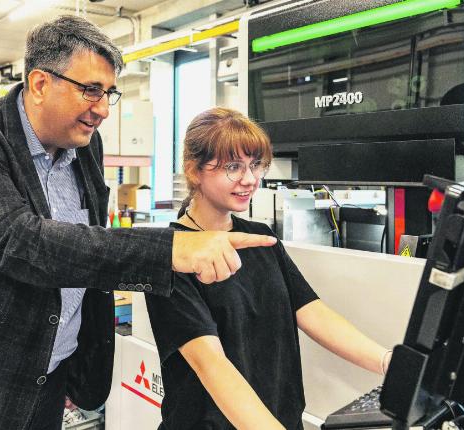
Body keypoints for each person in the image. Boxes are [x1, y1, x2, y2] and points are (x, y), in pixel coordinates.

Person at [0, 16, 276, 430]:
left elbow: (87, 241)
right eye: (91, 90)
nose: (103, 110)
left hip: (50, 373)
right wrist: (169, 249)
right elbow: (18, 242)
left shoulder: (86, 147)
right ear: (40, 84)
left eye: (110, 93)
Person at [145, 107, 393, 430]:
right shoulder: (174, 255)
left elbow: (311, 311)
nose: (249, 180)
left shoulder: (260, 237)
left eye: (255, 165)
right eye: (233, 167)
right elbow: (211, 365)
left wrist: (388, 362)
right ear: (195, 171)